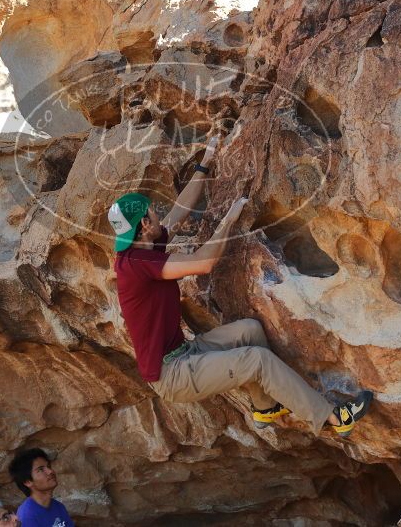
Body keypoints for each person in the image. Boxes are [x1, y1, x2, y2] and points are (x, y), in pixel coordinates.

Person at [108, 136, 374, 437]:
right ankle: (332, 418)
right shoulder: (136, 266)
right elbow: (203, 262)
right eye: (152, 211)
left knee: (250, 330)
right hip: (172, 375)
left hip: (184, 352)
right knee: (256, 360)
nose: (157, 213)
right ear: (144, 225)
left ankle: (265, 407)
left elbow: (179, 212)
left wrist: (204, 162)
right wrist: (229, 219)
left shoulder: (142, 247)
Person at [8, 448, 74, 527]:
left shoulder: (58, 507)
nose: (50, 471)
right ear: (27, 482)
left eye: (48, 466)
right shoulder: (27, 516)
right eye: (41, 470)